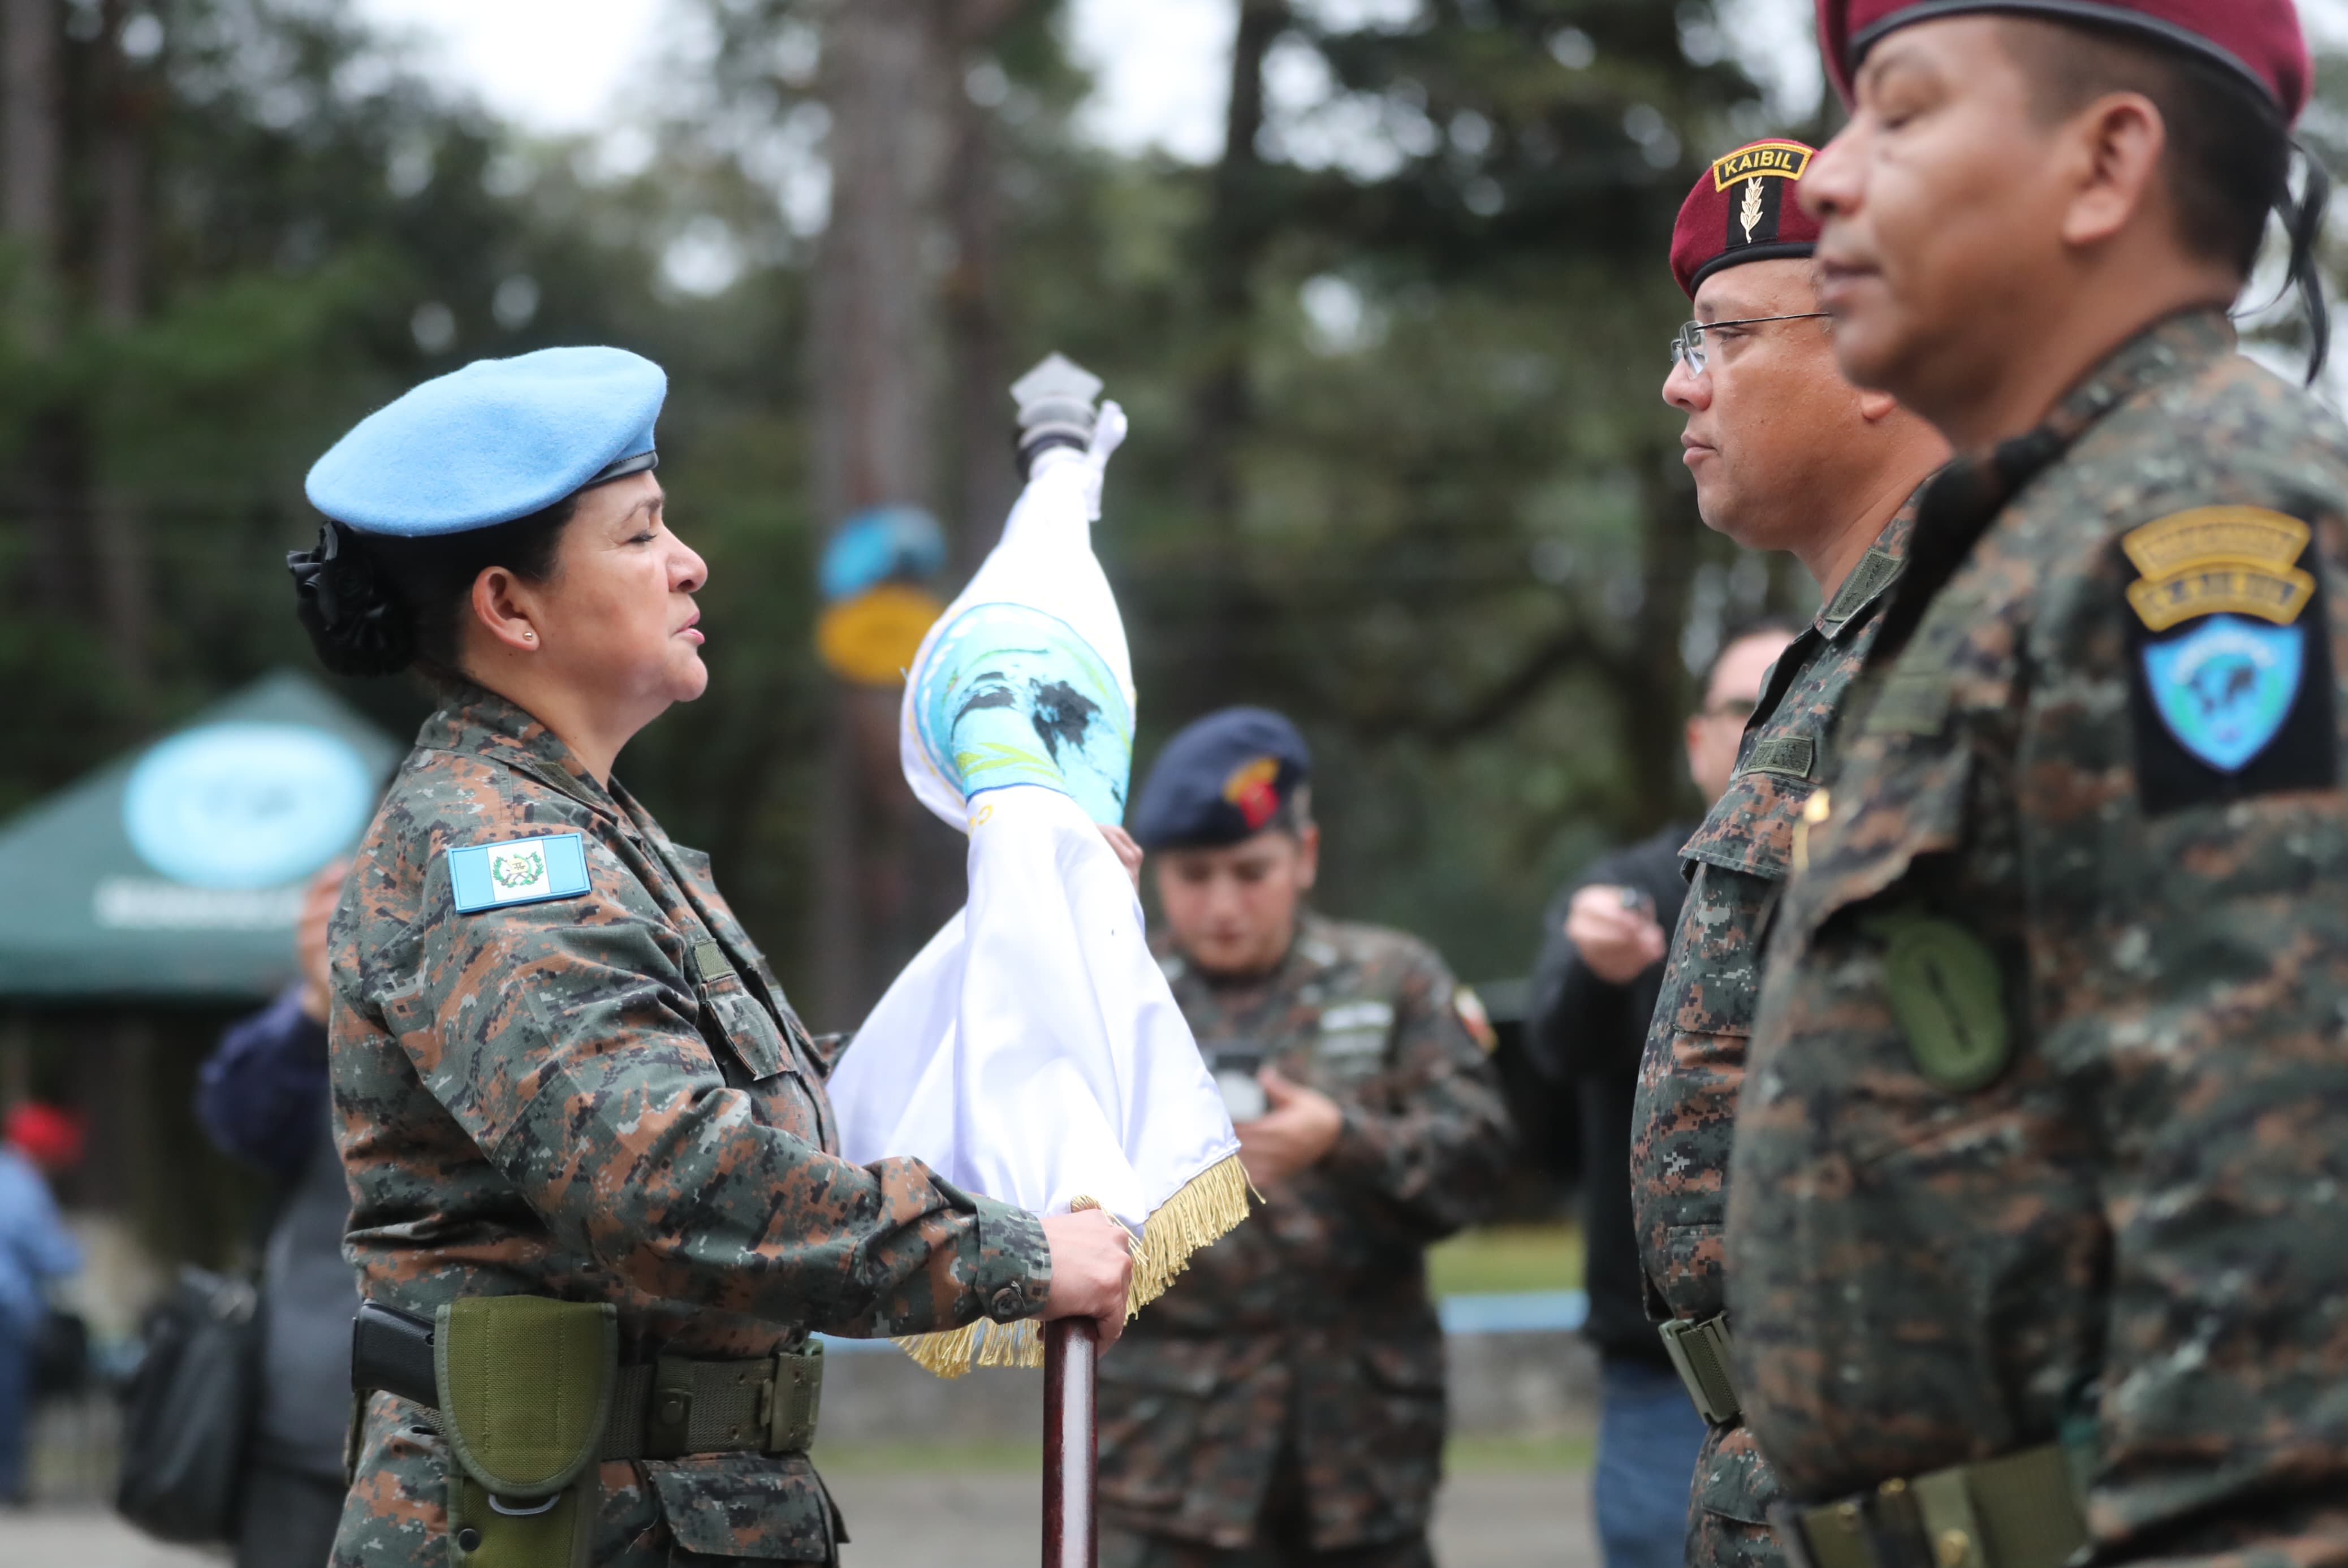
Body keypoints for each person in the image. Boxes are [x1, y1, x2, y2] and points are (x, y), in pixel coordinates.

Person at [286, 345, 1135, 1567]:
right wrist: (1005, 1258)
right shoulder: (492, 848)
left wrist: (1032, 944)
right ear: (509, 607)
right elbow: (669, 1179)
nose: (689, 563)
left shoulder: (596, 828)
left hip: (652, 1516)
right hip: (550, 1524)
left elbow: (792, 1107)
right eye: (638, 537)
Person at [1727, 5, 2348, 1565]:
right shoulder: (2036, 537)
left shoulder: (2206, 529)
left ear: (2108, 164)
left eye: (1902, 113)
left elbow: (2273, 1207)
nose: (1832, 181)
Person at [1630, 140, 1952, 1568]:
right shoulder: (1837, 661)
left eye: (1726, 336)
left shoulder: (1971, 641)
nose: (1680, 383)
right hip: (1794, 1477)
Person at [1095, 707, 1510, 1568]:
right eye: (1194, 874)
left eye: (1252, 871)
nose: (1222, 904)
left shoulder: (1393, 979)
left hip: (1359, 1450)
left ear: (1306, 856)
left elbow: (1482, 1163)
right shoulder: (1117, 997)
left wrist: (1344, 1139)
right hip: (1171, 1454)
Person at [1528, 621, 1795, 1568]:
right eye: (1744, 708)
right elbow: (1554, 1046)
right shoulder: (1633, 889)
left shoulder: (1864, 875)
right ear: (1696, 741)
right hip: (1667, 1376)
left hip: (1834, 1353)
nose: (1769, 727)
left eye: (1788, 703)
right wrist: (1595, 968)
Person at [195, 859, 356, 1568]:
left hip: (494, 1425)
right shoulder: (328, 1017)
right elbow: (238, 1120)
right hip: (309, 1418)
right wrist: (319, 1004)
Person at [0, 1102, 84, 1507]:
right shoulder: (23, 1185)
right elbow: (54, 1258)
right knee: (8, 1397)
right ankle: (8, 1481)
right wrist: (73, 1254)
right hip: (8, 1306)